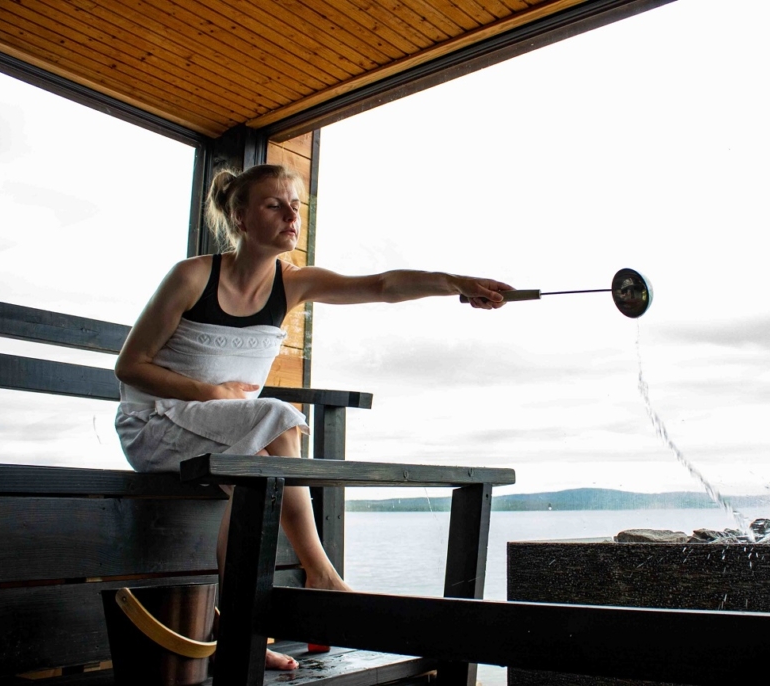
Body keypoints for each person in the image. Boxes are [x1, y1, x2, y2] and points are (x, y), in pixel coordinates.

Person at [114, 163, 511, 670]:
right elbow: (130, 366)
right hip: (154, 424)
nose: (291, 216)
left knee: (255, 470)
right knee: (278, 418)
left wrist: (457, 283)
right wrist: (210, 391)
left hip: (223, 431)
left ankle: (240, 628)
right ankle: (319, 574)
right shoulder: (192, 276)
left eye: (296, 206)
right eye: (274, 205)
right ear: (240, 217)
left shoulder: (293, 284)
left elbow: (383, 285)